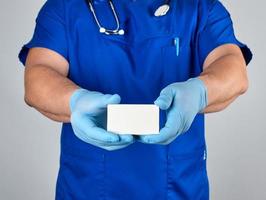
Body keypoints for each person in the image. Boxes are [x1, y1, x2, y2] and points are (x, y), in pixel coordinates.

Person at [18, 0, 252, 199]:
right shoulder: (66, 7)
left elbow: (232, 68)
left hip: (179, 188)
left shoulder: (199, 6)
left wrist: (199, 92)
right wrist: (73, 101)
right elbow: (38, 74)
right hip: (86, 187)